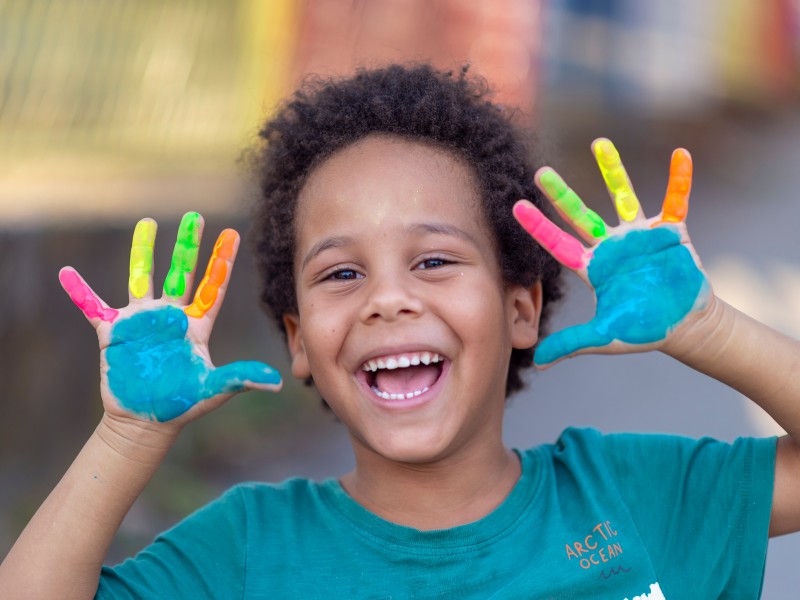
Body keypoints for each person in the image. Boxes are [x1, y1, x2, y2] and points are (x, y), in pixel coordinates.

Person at [1, 64, 799, 599]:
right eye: (342, 275)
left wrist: (711, 327)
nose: (388, 300)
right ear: (300, 342)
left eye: (435, 262)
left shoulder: (626, 495)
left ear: (521, 307)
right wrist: (128, 435)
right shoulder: (248, 550)